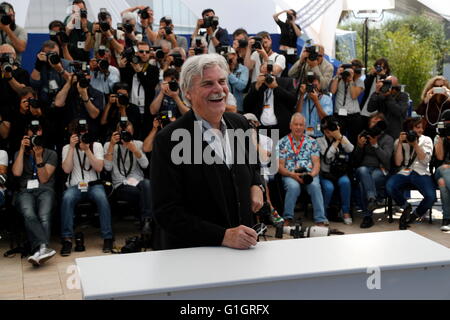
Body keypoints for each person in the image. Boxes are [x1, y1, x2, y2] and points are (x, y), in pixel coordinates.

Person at [150, 53, 264, 250]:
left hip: (243, 252)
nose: (219, 89)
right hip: (195, 256)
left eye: (222, 81)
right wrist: (223, 236)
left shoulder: (240, 124)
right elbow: (166, 212)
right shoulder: (168, 139)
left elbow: (253, 166)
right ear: (187, 93)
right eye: (207, 84)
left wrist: (257, 185)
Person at [60, 119, 113, 256]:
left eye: (85, 132)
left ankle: (107, 237)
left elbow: (99, 168)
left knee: (102, 199)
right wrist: (72, 148)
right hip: (75, 185)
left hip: (94, 184)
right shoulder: (67, 148)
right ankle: (67, 239)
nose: (83, 135)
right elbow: (66, 170)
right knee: (66, 198)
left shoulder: (96, 146)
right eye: (80, 133)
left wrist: (87, 150)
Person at [12, 122, 57, 266]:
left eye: (37, 130)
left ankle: (39, 250)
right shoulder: (19, 154)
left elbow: (44, 179)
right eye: (31, 131)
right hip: (25, 190)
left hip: (45, 189)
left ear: (41, 133)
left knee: (44, 216)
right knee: (28, 213)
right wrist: (21, 149)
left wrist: (38, 157)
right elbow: (17, 173)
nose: (34, 134)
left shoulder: (51, 153)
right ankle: (43, 248)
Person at [277, 113, 329, 226]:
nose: (298, 127)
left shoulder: (312, 142)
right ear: (290, 126)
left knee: (315, 186)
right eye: (296, 124)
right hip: (290, 174)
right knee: (293, 187)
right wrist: (292, 175)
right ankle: (288, 217)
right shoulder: (282, 142)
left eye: (301, 125)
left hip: (309, 173)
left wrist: (311, 175)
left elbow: (316, 163)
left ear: (305, 127)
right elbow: (280, 166)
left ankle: (320, 219)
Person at [386, 117, 435, 230]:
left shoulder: (426, 140)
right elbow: (398, 162)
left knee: (431, 196)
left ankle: (415, 215)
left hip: (421, 172)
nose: (421, 130)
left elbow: (425, 160)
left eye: (422, 127)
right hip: (405, 171)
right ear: (410, 129)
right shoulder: (400, 140)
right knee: (390, 186)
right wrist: (399, 143)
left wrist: (415, 145)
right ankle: (406, 206)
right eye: (418, 127)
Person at [104, 120, 152, 234]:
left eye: (128, 133)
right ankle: (147, 222)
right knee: (145, 194)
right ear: (117, 132)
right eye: (123, 133)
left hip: (138, 181)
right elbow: (107, 168)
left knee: (147, 184)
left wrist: (134, 149)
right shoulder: (109, 145)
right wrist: (111, 145)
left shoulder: (138, 144)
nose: (125, 135)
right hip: (120, 184)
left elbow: (145, 165)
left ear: (133, 132)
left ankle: (146, 221)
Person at [353, 113, 394, 228]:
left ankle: (367, 216)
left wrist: (375, 145)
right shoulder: (363, 135)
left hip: (380, 169)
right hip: (364, 169)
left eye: (378, 122)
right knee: (362, 170)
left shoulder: (388, 139)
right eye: (372, 122)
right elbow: (356, 160)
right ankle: (372, 199)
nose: (375, 124)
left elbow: (386, 159)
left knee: (363, 184)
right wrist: (359, 146)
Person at [243, 62, 297, 138]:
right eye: (264, 73)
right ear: (260, 73)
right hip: (262, 129)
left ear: (273, 71)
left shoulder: (286, 82)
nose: (267, 75)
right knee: (264, 150)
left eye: (268, 72)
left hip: (281, 130)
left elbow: (293, 102)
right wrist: (256, 88)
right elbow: (246, 107)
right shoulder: (256, 85)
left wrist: (276, 87)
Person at [317, 116, 354, 225]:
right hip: (326, 174)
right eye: (326, 129)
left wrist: (340, 137)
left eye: (331, 128)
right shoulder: (319, 141)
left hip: (340, 172)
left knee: (345, 182)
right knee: (329, 188)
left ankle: (346, 212)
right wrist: (336, 141)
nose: (328, 131)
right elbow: (327, 156)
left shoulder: (342, 137)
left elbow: (351, 149)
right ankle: (322, 214)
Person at [119, 41, 160, 138]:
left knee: (146, 137)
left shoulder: (153, 69)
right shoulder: (129, 67)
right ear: (137, 53)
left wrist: (139, 72)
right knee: (132, 137)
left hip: (147, 110)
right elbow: (124, 85)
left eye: (147, 52)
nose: (144, 54)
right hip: (132, 109)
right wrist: (122, 68)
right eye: (141, 52)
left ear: (150, 53)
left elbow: (150, 87)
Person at [54, 70, 104, 142]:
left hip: (90, 134)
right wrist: (69, 82)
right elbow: (58, 103)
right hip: (70, 133)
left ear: (89, 77)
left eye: (84, 77)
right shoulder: (68, 90)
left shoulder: (97, 93)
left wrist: (84, 95)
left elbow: (94, 115)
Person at [329, 60, 365, 145]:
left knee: (353, 140)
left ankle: (352, 157)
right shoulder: (339, 78)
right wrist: (338, 76)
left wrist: (351, 80)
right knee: (338, 138)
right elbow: (332, 91)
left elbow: (354, 95)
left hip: (353, 115)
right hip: (339, 114)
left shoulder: (359, 81)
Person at [30, 40, 72, 106]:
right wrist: (38, 66)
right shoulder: (41, 65)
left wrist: (60, 69)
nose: (53, 56)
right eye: (50, 54)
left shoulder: (67, 64)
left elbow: (72, 81)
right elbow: (34, 84)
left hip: (64, 102)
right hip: (44, 103)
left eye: (55, 53)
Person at [367, 75, 409, 140]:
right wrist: (376, 92)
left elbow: (398, 112)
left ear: (395, 87)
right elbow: (370, 108)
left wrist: (388, 97)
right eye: (386, 84)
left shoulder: (402, 96)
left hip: (395, 131)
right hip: (382, 130)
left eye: (389, 85)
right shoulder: (381, 95)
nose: (387, 87)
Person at [296, 73, 333, 138]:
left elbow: (325, 119)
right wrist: (301, 95)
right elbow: (297, 115)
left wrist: (316, 101)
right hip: (303, 134)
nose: (312, 87)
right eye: (310, 85)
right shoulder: (303, 97)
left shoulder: (326, 99)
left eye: (314, 85)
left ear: (319, 85)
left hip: (319, 135)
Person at [416, 76, 450, 141]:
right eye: (436, 86)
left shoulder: (447, 100)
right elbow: (419, 112)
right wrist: (425, 101)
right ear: (432, 87)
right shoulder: (429, 99)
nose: (439, 88)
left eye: (441, 86)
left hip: (446, 131)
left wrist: (448, 95)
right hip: (430, 131)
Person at [434, 110, 450, 231]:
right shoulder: (438, 137)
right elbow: (439, 157)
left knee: (442, 183)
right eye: (446, 124)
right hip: (441, 168)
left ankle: (446, 219)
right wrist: (441, 137)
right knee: (445, 169)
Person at [0, 44, 30, 109]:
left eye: (8, 54)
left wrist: (9, 77)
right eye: (1, 54)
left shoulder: (22, 73)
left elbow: (23, 92)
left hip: (16, 109)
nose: (5, 57)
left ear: (15, 56)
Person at [226, 47, 249, 113]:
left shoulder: (243, 69)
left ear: (236, 55)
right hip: (224, 106)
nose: (231, 61)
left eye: (232, 58)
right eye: (228, 59)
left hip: (238, 107)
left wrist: (229, 74)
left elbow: (241, 86)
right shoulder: (220, 69)